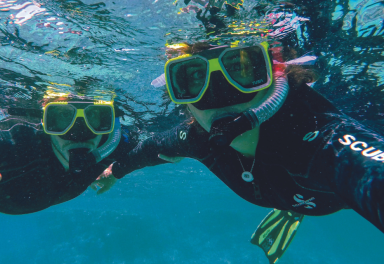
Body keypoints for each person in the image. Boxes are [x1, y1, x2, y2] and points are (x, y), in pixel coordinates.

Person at [92, 2, 384, 263]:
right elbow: (152, 147)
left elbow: (367, 170)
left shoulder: (323, 138)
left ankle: (293, 208)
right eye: (194, 77)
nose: (220, 95)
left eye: (242, 68)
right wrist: (114, 171)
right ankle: (292, 209)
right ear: (179, 95)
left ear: (276, 75)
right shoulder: (197, 137)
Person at [0, 93, 134, 214]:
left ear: (106, 120)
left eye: (93, 115)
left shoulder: (114, 143)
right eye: (63, 116)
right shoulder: (13, 145)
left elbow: (155, 145)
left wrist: (118, 169)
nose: (79, 133)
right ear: (45, 122)